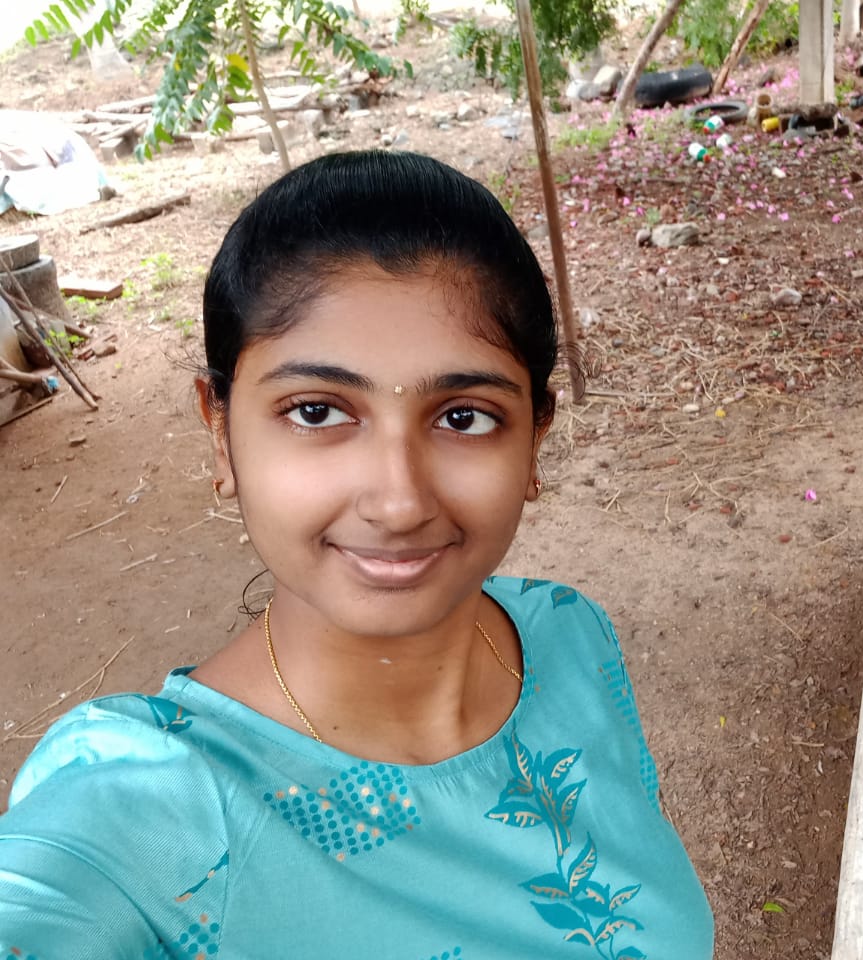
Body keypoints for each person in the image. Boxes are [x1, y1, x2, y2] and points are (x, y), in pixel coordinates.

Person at [0, 151, 713, 958]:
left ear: (534, 439)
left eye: (465, 417)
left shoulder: (568, 635)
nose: (400, 502)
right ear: (221, 432)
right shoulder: (149, 810)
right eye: (316, 411)